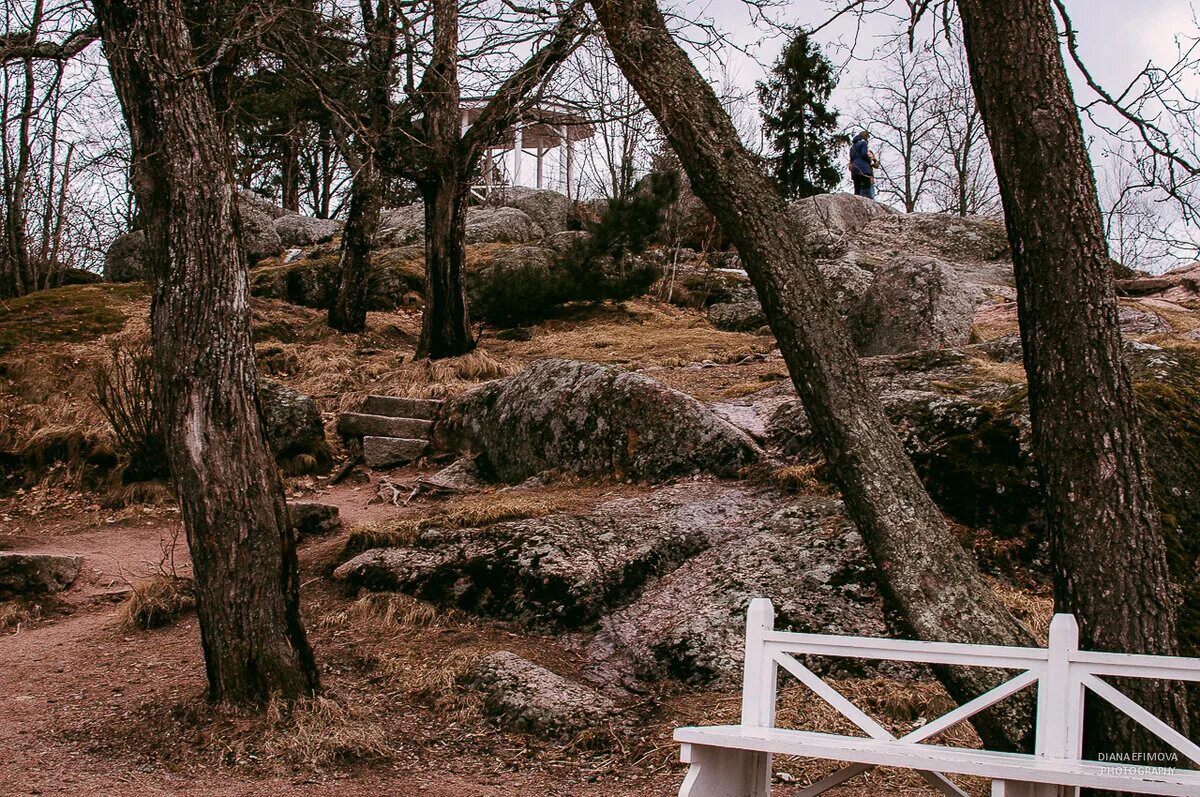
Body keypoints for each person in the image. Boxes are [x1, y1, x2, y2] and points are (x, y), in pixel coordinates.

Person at [849, 130, 875, 200]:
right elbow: (864, 154)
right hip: (864, 168)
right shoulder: (863, 143)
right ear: (865, 136)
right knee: (866, 189)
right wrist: (869, 161)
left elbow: (851, 159)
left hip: (855, 169)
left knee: (857, 190)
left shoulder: (852, 147)